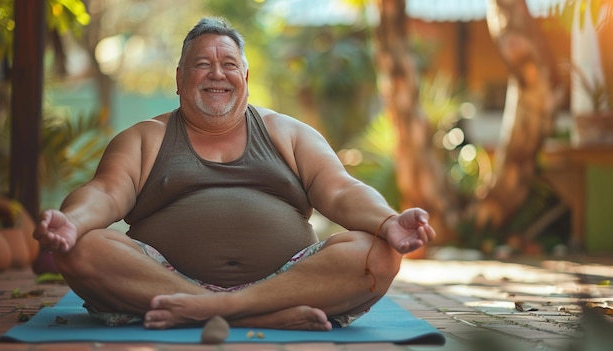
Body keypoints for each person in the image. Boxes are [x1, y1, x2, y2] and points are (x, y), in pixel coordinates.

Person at [34, 17, 436, 331]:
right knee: (82, 248)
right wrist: (71, 224)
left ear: (245, 78)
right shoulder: (145, 137)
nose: (217, 74)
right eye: (202, 65)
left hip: (287, 278)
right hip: (163, 278)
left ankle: (214, 312)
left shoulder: (289, 132)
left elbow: (342, 191)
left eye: (229, 64)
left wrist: (388, 222)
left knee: (378, 252)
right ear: (179, 78)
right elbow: (104, 193)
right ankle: (257, 316)